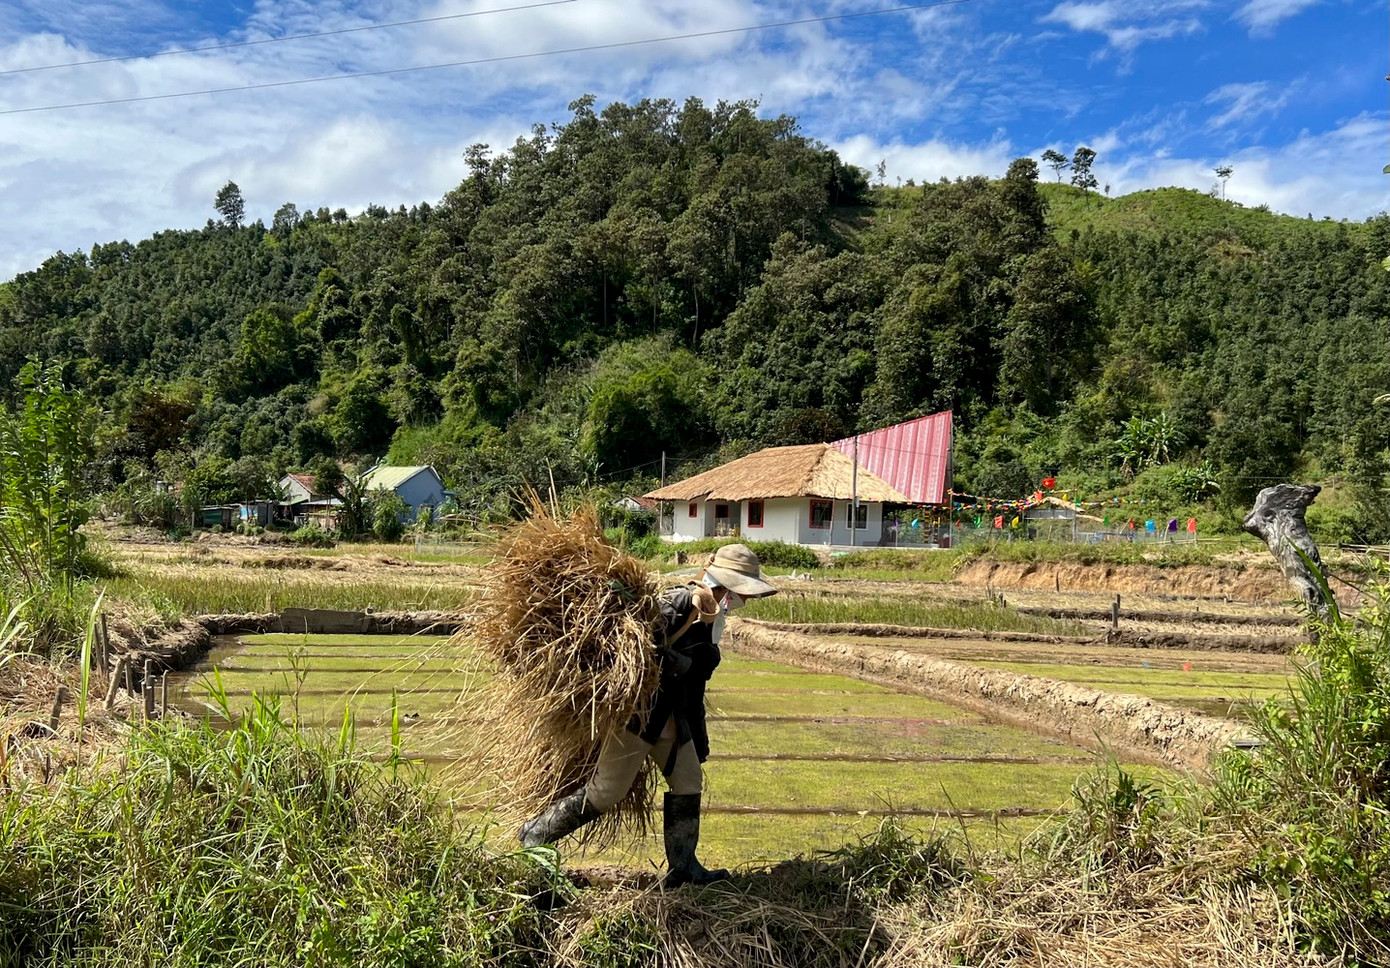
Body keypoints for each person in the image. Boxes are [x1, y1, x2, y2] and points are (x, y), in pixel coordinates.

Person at [517, 543, 777, 886]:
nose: (743, 600)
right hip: (639, 720)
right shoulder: (679, 603)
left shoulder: (713, 615)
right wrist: (672, 663)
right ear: (726, 584)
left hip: (673, 719)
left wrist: (698, 737)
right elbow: (634, 654)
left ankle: (684, 868)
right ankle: (535, 834)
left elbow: (695, 686)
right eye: (741, 592)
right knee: (606, 792)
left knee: (688, 781)